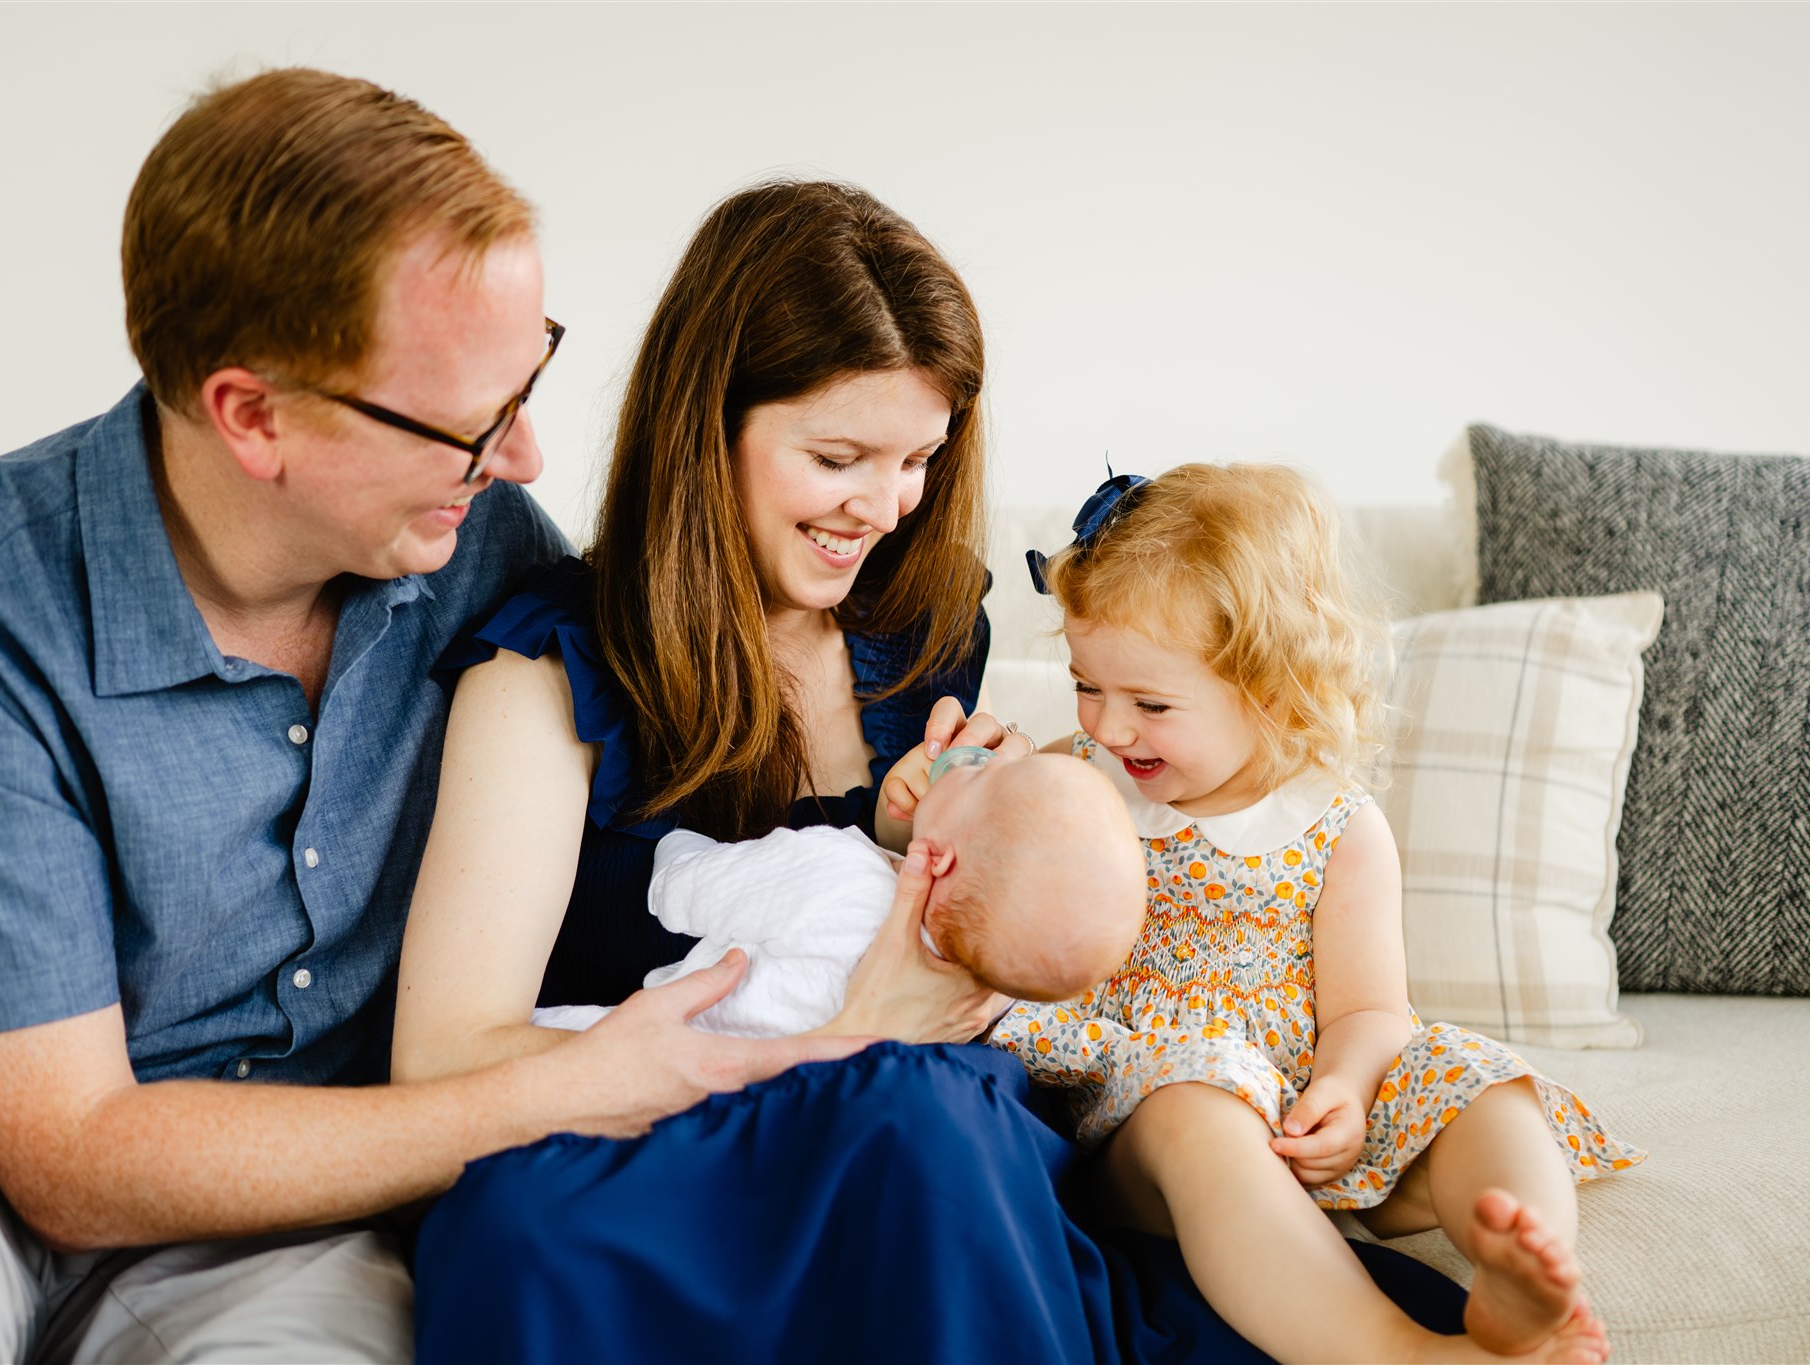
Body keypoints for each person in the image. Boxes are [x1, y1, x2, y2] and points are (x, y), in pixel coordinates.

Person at [0, 69, 862, 1363]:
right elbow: (67, 1154)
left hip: (304, 1189)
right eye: (474, 423)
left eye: (530, 383)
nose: (522, 458)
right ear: (254, 416)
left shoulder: (490, 557)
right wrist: (545, 1096)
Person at [400, 185, 1470, 1364]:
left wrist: (996, 840)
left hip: (928, 1144)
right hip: (664, 1155)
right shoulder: (547, 672)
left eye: (917, 458)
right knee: (522, 1234)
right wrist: (833, 1043)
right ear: (707, 425)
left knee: (926, 1122)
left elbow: (1035, 945)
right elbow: (446, 1062)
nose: (882, 506)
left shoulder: (922, 629)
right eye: (837, 456)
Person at [995, 464, 1646, 1365]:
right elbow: (977, 841)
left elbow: (1370, 1011)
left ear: (1268, 692)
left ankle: (1525, 1267)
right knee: (1202, 1108)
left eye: (1150, 703)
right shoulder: (1079, 781)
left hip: (1309, 1123)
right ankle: (1393, 1350)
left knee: (1480, 1081)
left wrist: (1343, 1089)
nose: (1109, 726)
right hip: (1147, 1112)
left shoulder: (1338, 825)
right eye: (1086, 685)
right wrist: (922, 800)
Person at [531, 751, 1148, 1038]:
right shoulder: (972, 1002)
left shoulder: (840, 875)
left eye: (986, 773)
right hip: (778, 1119)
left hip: (670, 1050)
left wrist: (676, 844)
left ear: (944, 857)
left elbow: (682, 891)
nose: (973, 758)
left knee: (539, 1046)